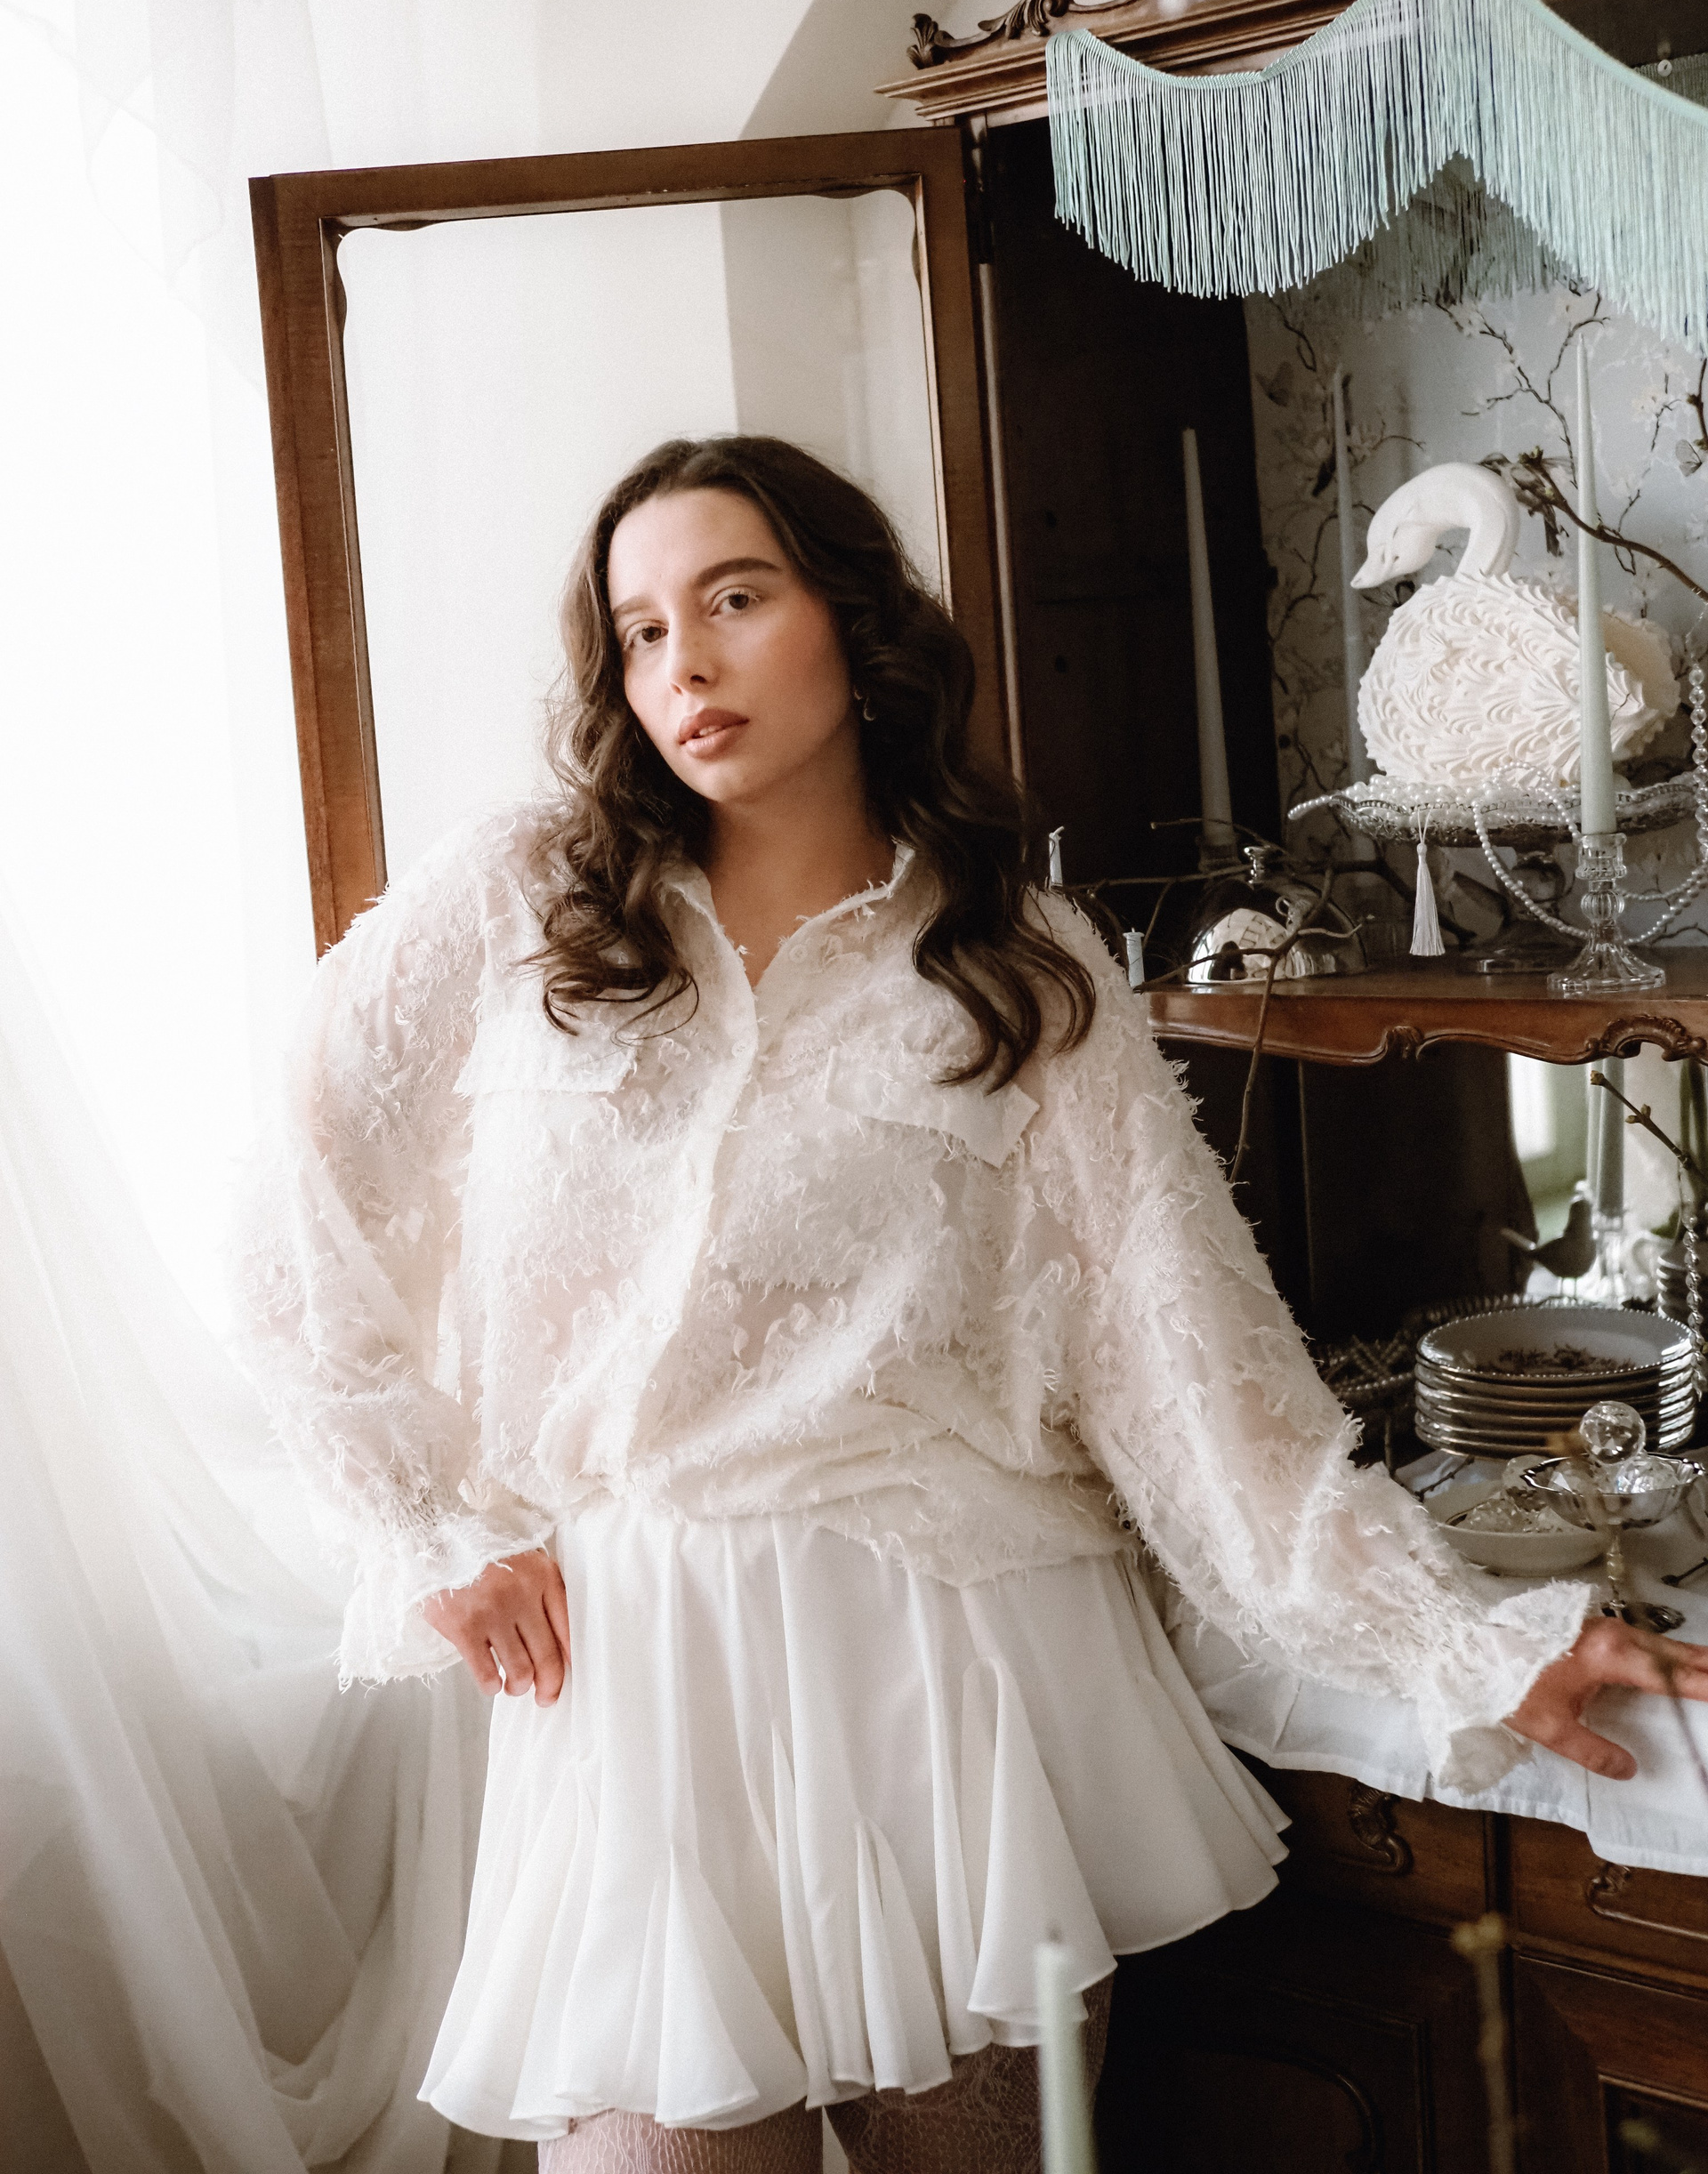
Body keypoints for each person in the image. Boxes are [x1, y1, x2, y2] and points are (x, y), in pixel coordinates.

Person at [239, 435, 1708, 2174]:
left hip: (954, 1681)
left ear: (854, 625)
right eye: (639, 632)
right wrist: (426, 1521)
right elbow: (296, 1206)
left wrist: (1474, 1641)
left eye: (734, 598)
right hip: (644, 1682)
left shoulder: (1021, 963)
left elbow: (1196, 1375)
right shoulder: (525, 900)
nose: (684, 664)